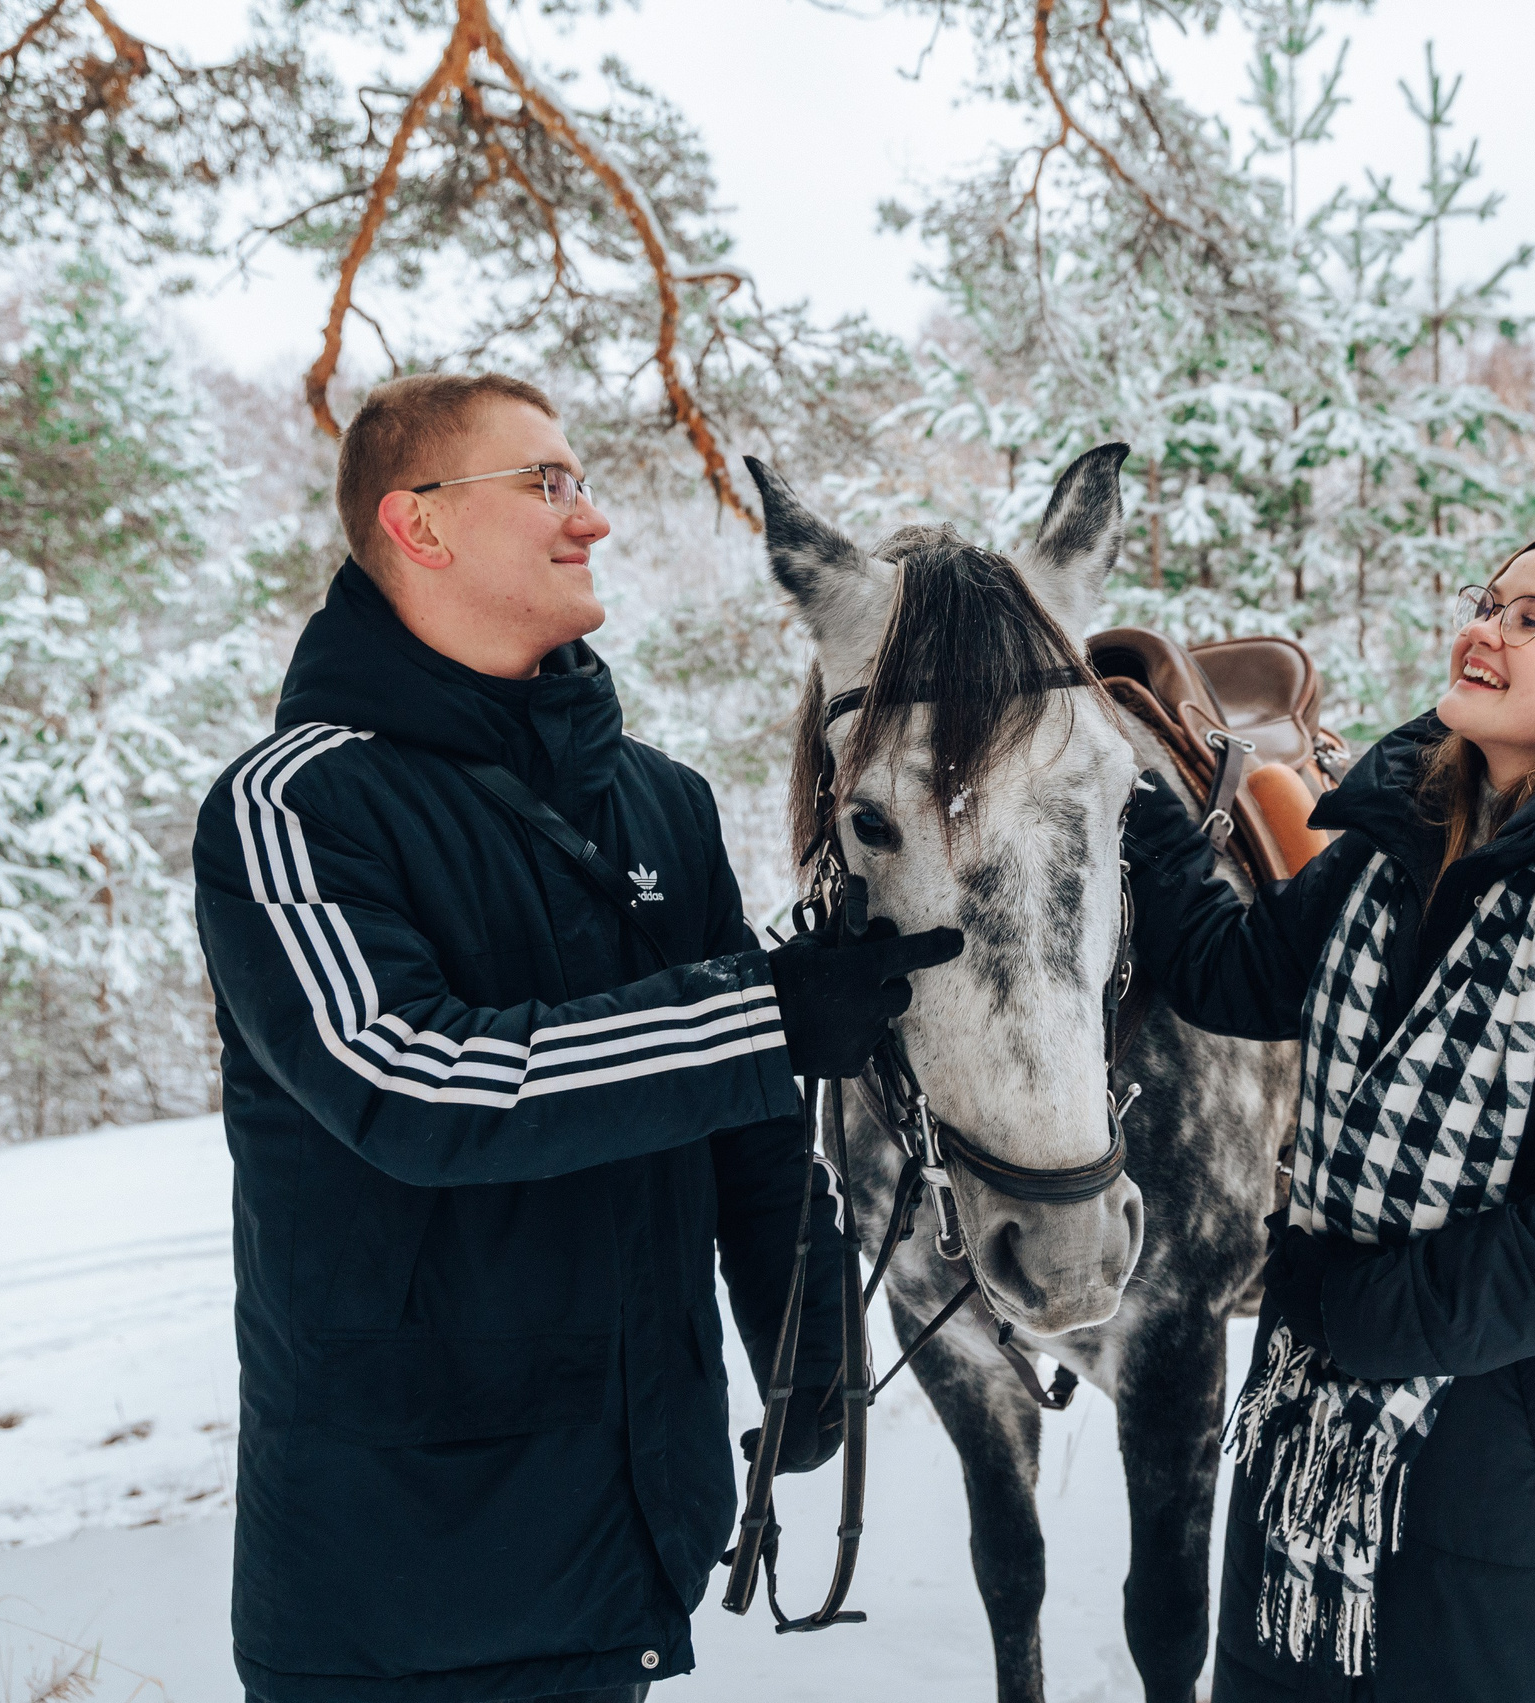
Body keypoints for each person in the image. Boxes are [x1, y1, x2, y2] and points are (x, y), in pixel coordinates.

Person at [192, 373, 960, 1703]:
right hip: (402, 1577)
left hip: (625, 1537)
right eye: (545, 482)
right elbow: (413, 1079)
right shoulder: (294, 804)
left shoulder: (657, 802)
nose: (591, 517)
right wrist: (761, 1011)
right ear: (418, 525)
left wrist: (808, 1337)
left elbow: (753, 1128)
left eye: (582, 480)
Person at [1124, 529, 1535, 1703]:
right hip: (1316, 1486)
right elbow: (1235, 973)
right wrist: (1135, 810)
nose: (1484, 627)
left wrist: (1335, 1304)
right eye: (1487, 601)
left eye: (1533, 617)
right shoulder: (1389, 861)